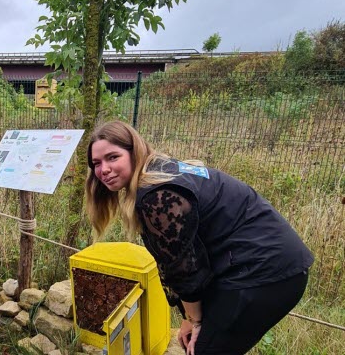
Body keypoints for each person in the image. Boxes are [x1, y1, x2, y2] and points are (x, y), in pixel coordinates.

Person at [85, 120, 314, 355]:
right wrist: (189, 318)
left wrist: (195, 320)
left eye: (113, 157)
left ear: (135, 151)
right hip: (256, 265)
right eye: (96, 163)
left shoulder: (158, 194)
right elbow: (186, 257)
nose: (103, 169)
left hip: (265, 273)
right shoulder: (162, 170)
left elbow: (183, 270)